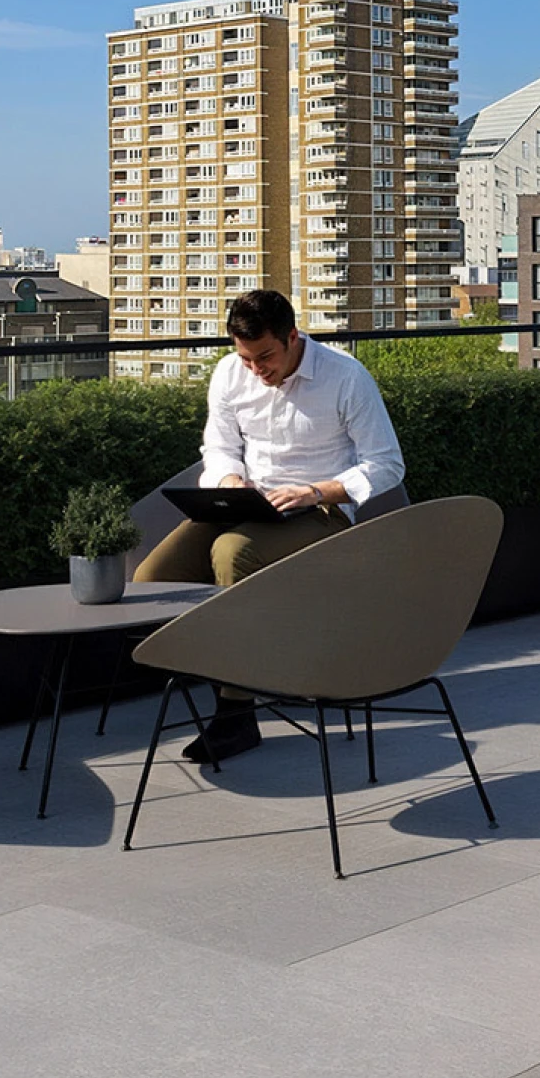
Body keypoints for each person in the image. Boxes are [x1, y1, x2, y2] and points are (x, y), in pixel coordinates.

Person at [134, 287, 408, 761]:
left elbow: (387, 464)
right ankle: (236, 669)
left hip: (323, 514)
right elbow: (217, 448)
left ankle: (236, 714)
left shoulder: (345, 378)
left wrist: (318, 490)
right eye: (246, 359)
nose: (256, 370)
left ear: (292, 336)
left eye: (265, 357)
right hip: (248, 502)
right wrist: (230, 479)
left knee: (232, 554)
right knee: (152, 581)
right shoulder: (228, 373)